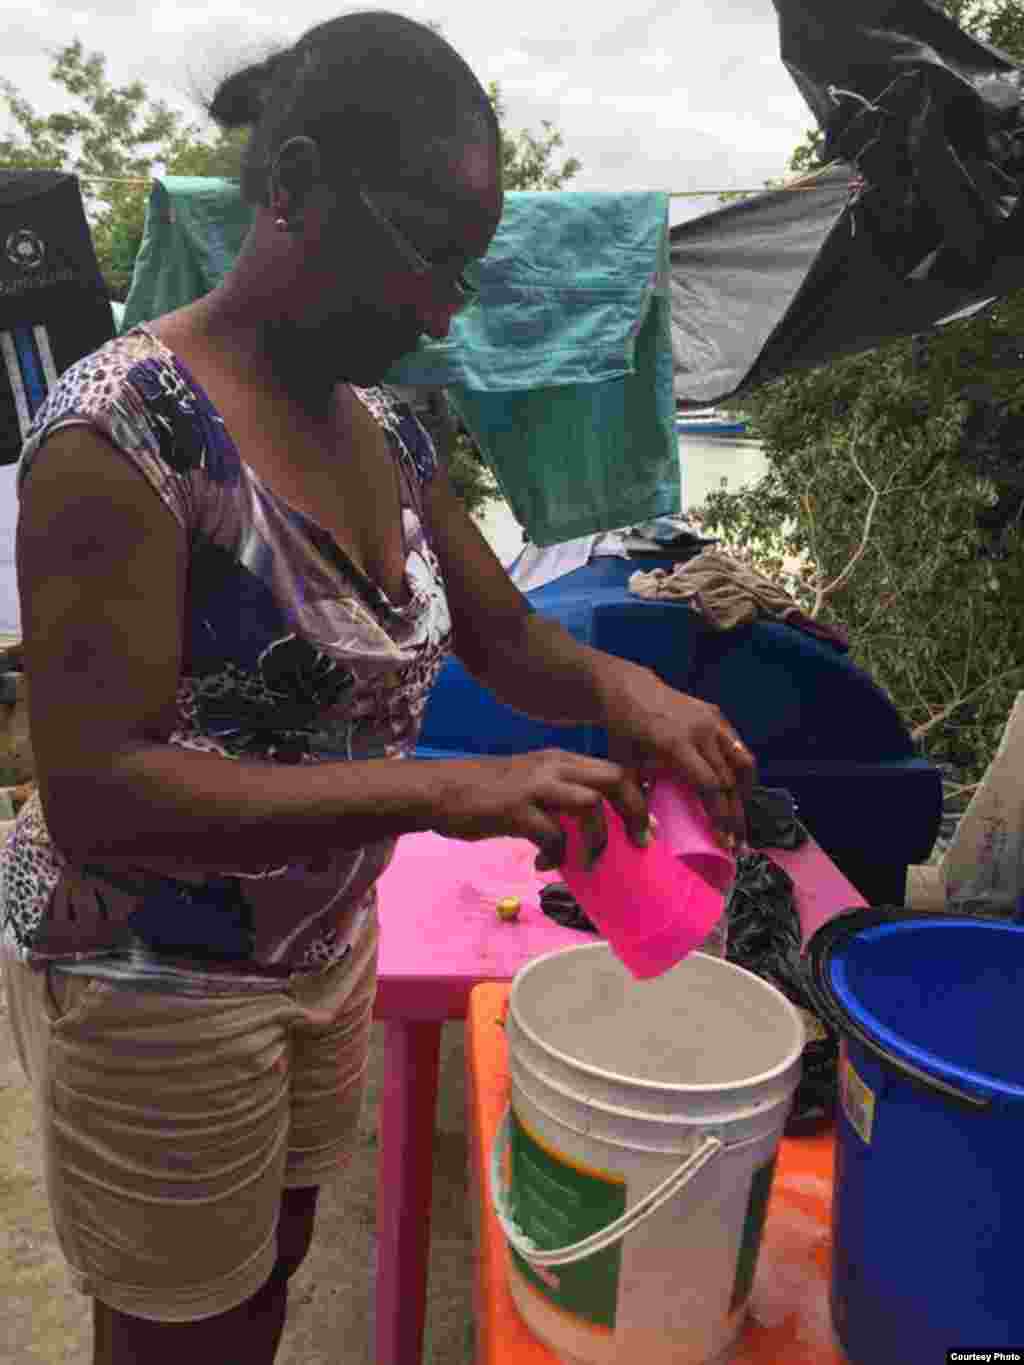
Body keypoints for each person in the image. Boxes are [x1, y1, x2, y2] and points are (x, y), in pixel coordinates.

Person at [0, 12, 755, 1363]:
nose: (443, 309)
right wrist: (446, 790)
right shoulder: (123, 435)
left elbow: (506, 635)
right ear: (289, 186)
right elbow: (100, 791)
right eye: (427, 255)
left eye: (465, 268)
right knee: (181, 1328)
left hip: (321, 944)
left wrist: (631, 692)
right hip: (158, 979)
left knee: (277, 1257)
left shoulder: (388, 430)